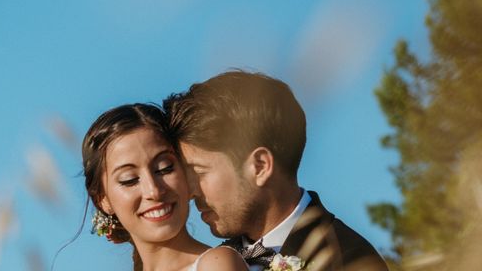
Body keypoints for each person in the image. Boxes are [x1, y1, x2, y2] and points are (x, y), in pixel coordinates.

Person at [164, 71, 389, 271]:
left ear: (260, 166)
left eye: (200, 172)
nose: (190, 192)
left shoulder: (348, 261)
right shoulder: (213, 260)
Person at [82, 103, 249, 271]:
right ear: (102, 199)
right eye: (130, 180)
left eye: (164, 168)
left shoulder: (216, 265)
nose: (153, 191)